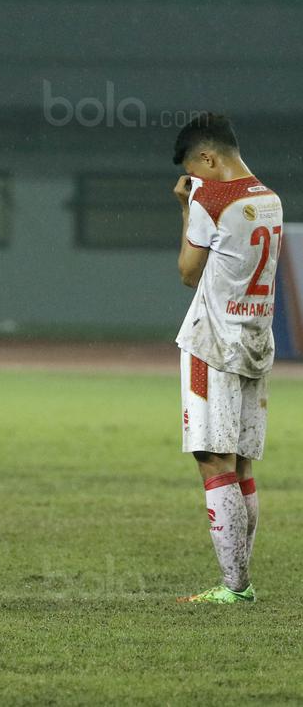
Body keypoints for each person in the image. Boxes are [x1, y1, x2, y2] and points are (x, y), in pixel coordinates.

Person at [172, 113, 281, 604]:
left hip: (212, 345)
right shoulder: (269, 199)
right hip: (256, 339)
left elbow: (188, 273)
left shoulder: (210, 199)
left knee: (212, 459)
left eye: (195, 169)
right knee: (240, 465)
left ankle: (234, 586)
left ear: (209, 158)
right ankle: (240, 580)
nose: (193, 180)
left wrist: (185, 208)